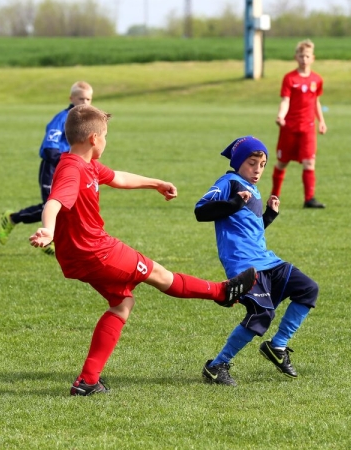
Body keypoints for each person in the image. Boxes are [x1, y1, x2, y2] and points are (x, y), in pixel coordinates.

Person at [29, 105, 257, 396]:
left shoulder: (83, 163)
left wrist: (155, 183)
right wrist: (48, 229)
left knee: (122, 304)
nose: (107, 141)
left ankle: (87, 381)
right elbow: (55, 202)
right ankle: (222, 293)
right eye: (107, 136)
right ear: (94, 139)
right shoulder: (72, 170)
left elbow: (118, 177)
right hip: (97, 251)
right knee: (160, 275)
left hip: (78, 256)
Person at [195, 136, 319, 386]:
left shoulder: (252, 189)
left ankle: (278, 346)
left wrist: (269, 217)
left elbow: (251, 231)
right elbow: (201, 211)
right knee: (262, 313)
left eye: (262, 165)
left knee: (308, 289)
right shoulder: (229, 182)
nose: (258, 170)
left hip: (267, 260)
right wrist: (233, 202)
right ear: (240, 162)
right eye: (252, 163)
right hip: (245, 266)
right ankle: (217, 365)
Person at [0, 81, 94, 255]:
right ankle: (17, 221)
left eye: (88, 99)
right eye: (81, 99)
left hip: (70, 169)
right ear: (71, 98)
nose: (85, 103)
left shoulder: (85, 121)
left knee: (69, 206)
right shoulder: (61, 119)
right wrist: (68, 161)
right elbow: (50, 149)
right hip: (52, 168)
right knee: (50, 206)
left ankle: (52, 237)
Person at [271, 39, 328, 208]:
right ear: (296, 57)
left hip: (308, 128)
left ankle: (309, 199)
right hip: (289, 127)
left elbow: (316, 101)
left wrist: (322, 122)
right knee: (282, 162)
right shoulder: (289, 78)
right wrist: (281, 116)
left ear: (313, 58)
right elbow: (285, 101)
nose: (304, 59)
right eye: (301, 55)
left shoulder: (317, 79)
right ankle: (274, 196)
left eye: (307, 56)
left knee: (309, 162)